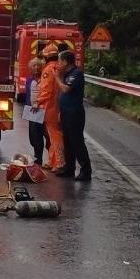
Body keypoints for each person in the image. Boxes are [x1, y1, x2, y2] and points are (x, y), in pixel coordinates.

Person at [53, 50, 92, 181]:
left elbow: (65, 89)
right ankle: (69, 168)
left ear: (65, 61)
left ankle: (86, 171)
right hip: (65, 112)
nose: (58, 64)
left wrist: (57, 77)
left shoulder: (76, 74)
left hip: (74, 113)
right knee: (67, 142)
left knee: (77, 141)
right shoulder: (67, 74)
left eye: (59, 61)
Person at [37, 44, 65, 172]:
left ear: (46, 57)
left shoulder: (48, 70)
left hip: (50, 107)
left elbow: (46, 90)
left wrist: (37, 102)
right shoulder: (60, 67)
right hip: (59, 106)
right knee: (54, 135)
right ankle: (52, 161)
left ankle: (59, 162)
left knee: (55, 136)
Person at [26, 57, 49, 166]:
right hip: (32, 111)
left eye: (38, 66)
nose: (36, 68)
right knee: (33, 136)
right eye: (34, 66)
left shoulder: (44, 79)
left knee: (45, 136)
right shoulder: (29, 80)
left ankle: (48, 159)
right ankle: (37, 157)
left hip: (43, 110)